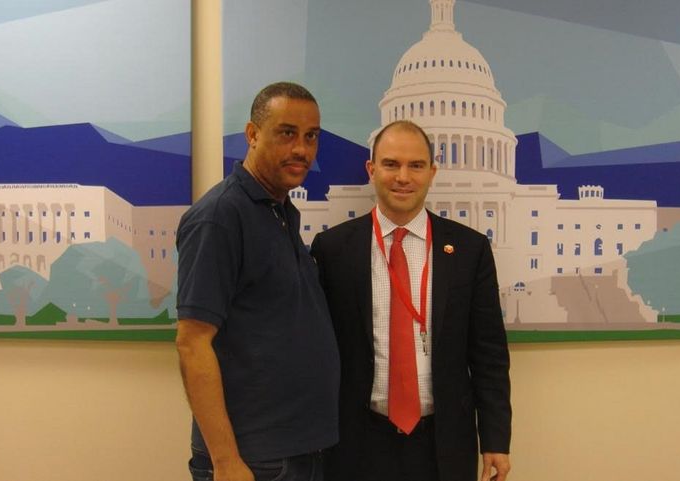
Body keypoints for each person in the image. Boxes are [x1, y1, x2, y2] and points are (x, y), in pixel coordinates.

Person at [310, 120, 512, 481]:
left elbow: (489, 355)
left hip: (443, 441)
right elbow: (317, 352)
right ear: (371, 170)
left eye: (416, 165)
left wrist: (495, 440)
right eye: (390, 164)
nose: (403, 177)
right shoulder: (333, 250)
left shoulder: (469, 249)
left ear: (432, 172)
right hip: (358, 440)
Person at [176, 82, 339, 481]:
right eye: (287, 133)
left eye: (311, 137)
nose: (301, 149)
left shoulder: (281, 211)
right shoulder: (220, 217)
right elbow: (192, 343)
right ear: (252, 134)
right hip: (255, 459)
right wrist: (226, 462)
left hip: (299, 449)